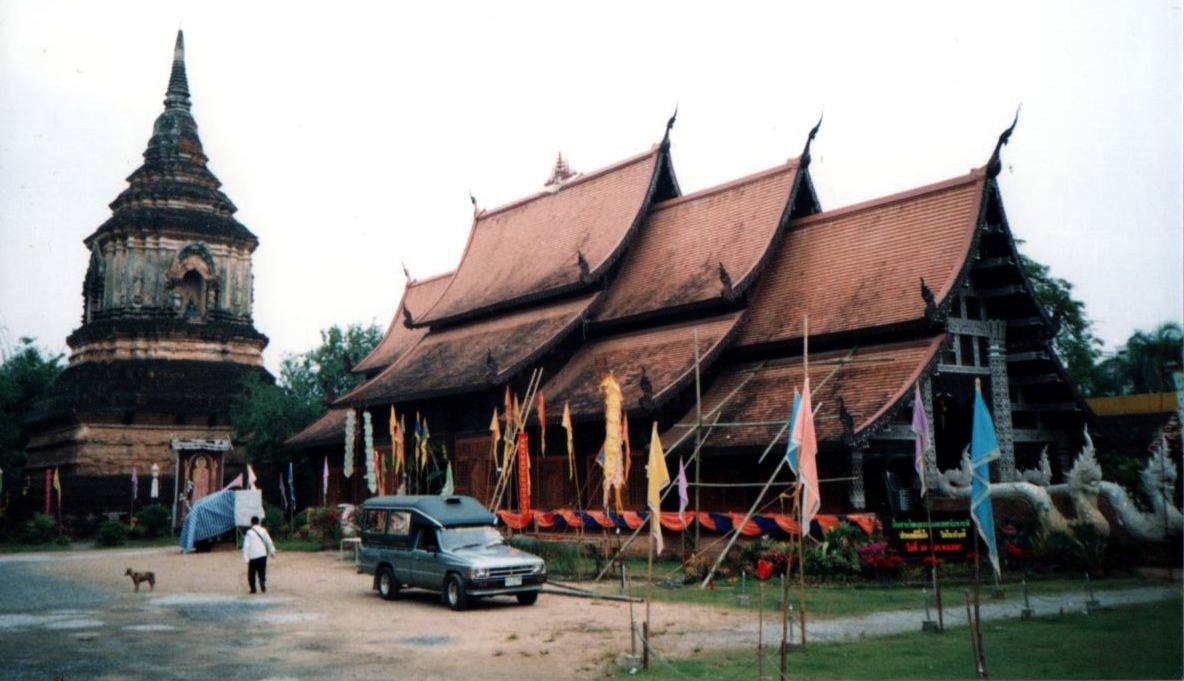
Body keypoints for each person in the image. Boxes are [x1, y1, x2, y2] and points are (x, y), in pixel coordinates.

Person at [242, 515, 277, 594]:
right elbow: (269, 541)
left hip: (253, 556)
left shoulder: (249, 533)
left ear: (251, 523)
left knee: (251, 574)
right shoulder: (263, 530)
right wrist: (272, 552)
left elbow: (246, 546)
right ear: (259, 522)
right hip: (262, 555)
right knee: (262, 571)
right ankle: (262, 582)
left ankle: (253, 589)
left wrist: (246, 558)